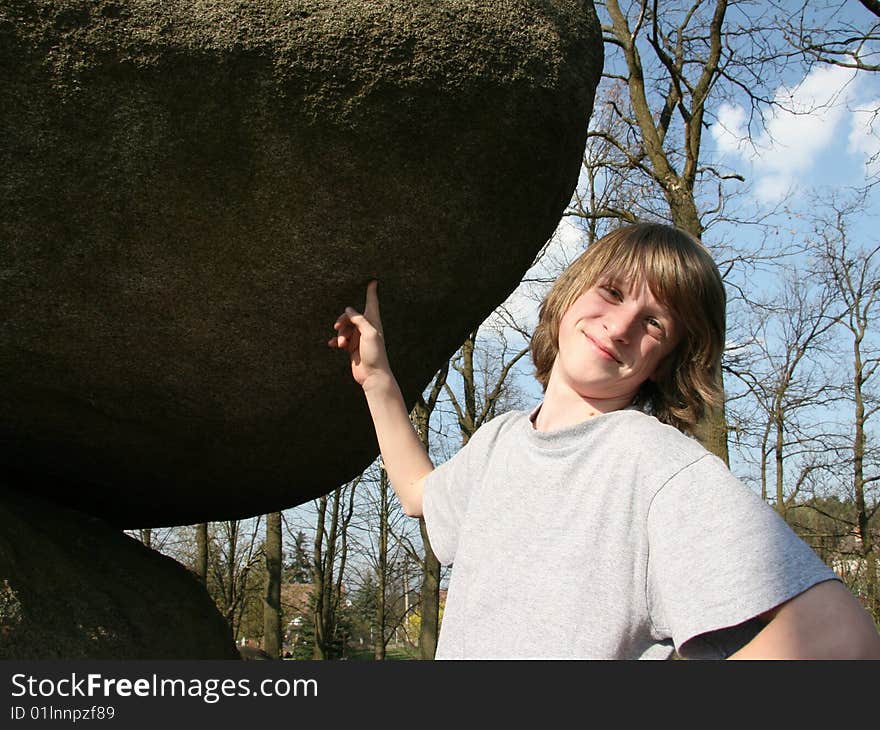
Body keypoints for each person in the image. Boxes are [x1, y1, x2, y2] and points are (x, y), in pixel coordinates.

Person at [329, 222, 880, 659]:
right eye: (612, 293)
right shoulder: (500, 440)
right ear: (570, 295)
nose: (619, 327)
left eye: (655, 324)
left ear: (666, 365)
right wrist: (377, 378)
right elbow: (418, 492)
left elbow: (843, 642)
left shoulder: (658, 467)